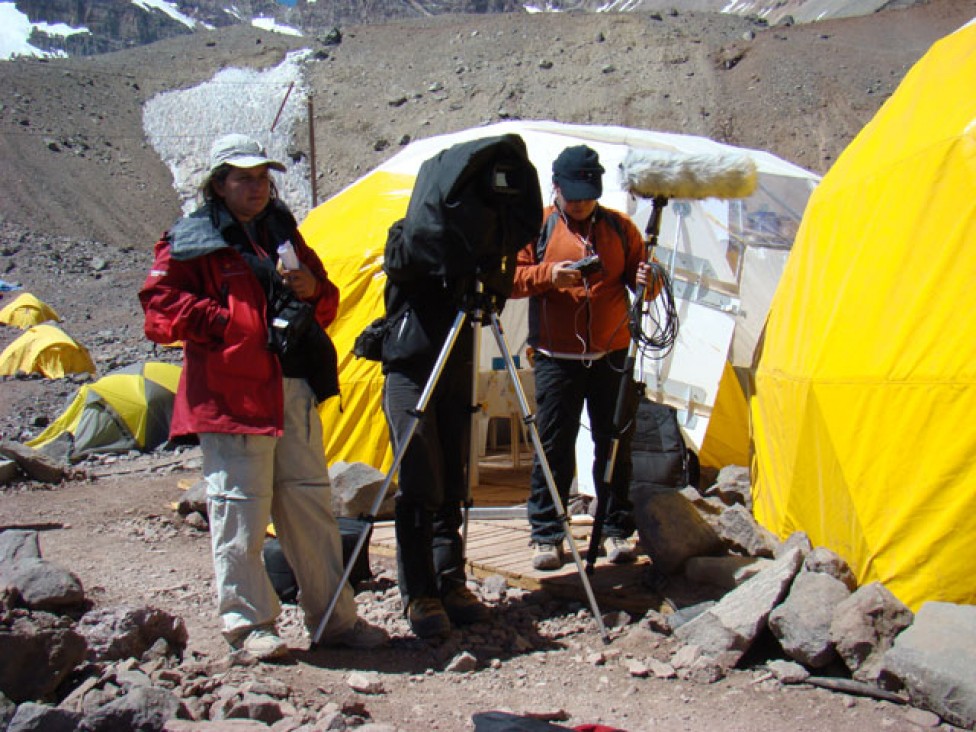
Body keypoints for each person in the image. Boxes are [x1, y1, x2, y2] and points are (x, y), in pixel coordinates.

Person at [139, 133, 388, 660]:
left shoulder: (282, 230)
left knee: (311, 509)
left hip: (292, 389)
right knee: (240, 514)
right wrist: (228, 322)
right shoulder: (191, 240)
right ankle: (249, 625)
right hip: (233, 397)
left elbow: (327, 300)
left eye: (261, 178)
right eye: (243, 178)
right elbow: (158, 311)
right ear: (218, 184)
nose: (256, 187)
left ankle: (335, 621)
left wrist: (311, 290)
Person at [511, 144, 651, 571]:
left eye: (588, 196)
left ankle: (614, 529)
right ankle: (547, 533)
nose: (581, 204)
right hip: (557, 356)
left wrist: (649, 277)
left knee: (614, 445)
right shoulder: (535, 226)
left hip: (611, 352)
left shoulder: (620, 228)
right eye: (574, 196)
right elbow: (511, 280)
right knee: (553, 445)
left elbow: (643, 284)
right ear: (556, 188)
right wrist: (549, 276)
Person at [378, 220, 490, 640]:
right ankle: (419, 593)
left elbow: (496, 290)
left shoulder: (476, 236)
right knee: (420, 477)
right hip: (411, 368)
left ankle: (450, 582)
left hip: (456, 366)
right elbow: (403, 265)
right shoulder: (407, 230)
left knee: (452, 482)